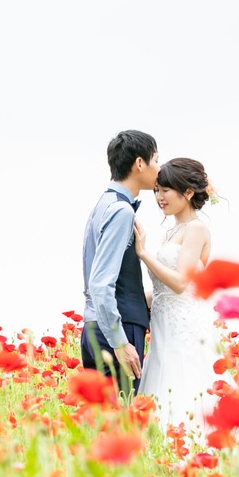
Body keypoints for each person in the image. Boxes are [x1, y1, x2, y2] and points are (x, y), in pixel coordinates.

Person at [133, 157, 228, 431]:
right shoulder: (171, 232)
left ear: (188, 192)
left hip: (185, 326)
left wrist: (143, 253)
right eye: (156, 191)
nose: (159, 197)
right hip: (163, 327)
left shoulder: (196, 229)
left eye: (165, 190)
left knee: (184, 386)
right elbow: (162, 290)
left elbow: (180, 284)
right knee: (163, 388)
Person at [81, 130, 160, 395]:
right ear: (140, 163)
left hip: (93, 328)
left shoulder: (103, 204)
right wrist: (120, 342)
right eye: (156, 160)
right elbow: (101, 283)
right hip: (118, 329)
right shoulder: (121, 210)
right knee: (121, 424)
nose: (158, 169)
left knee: (100, 424)